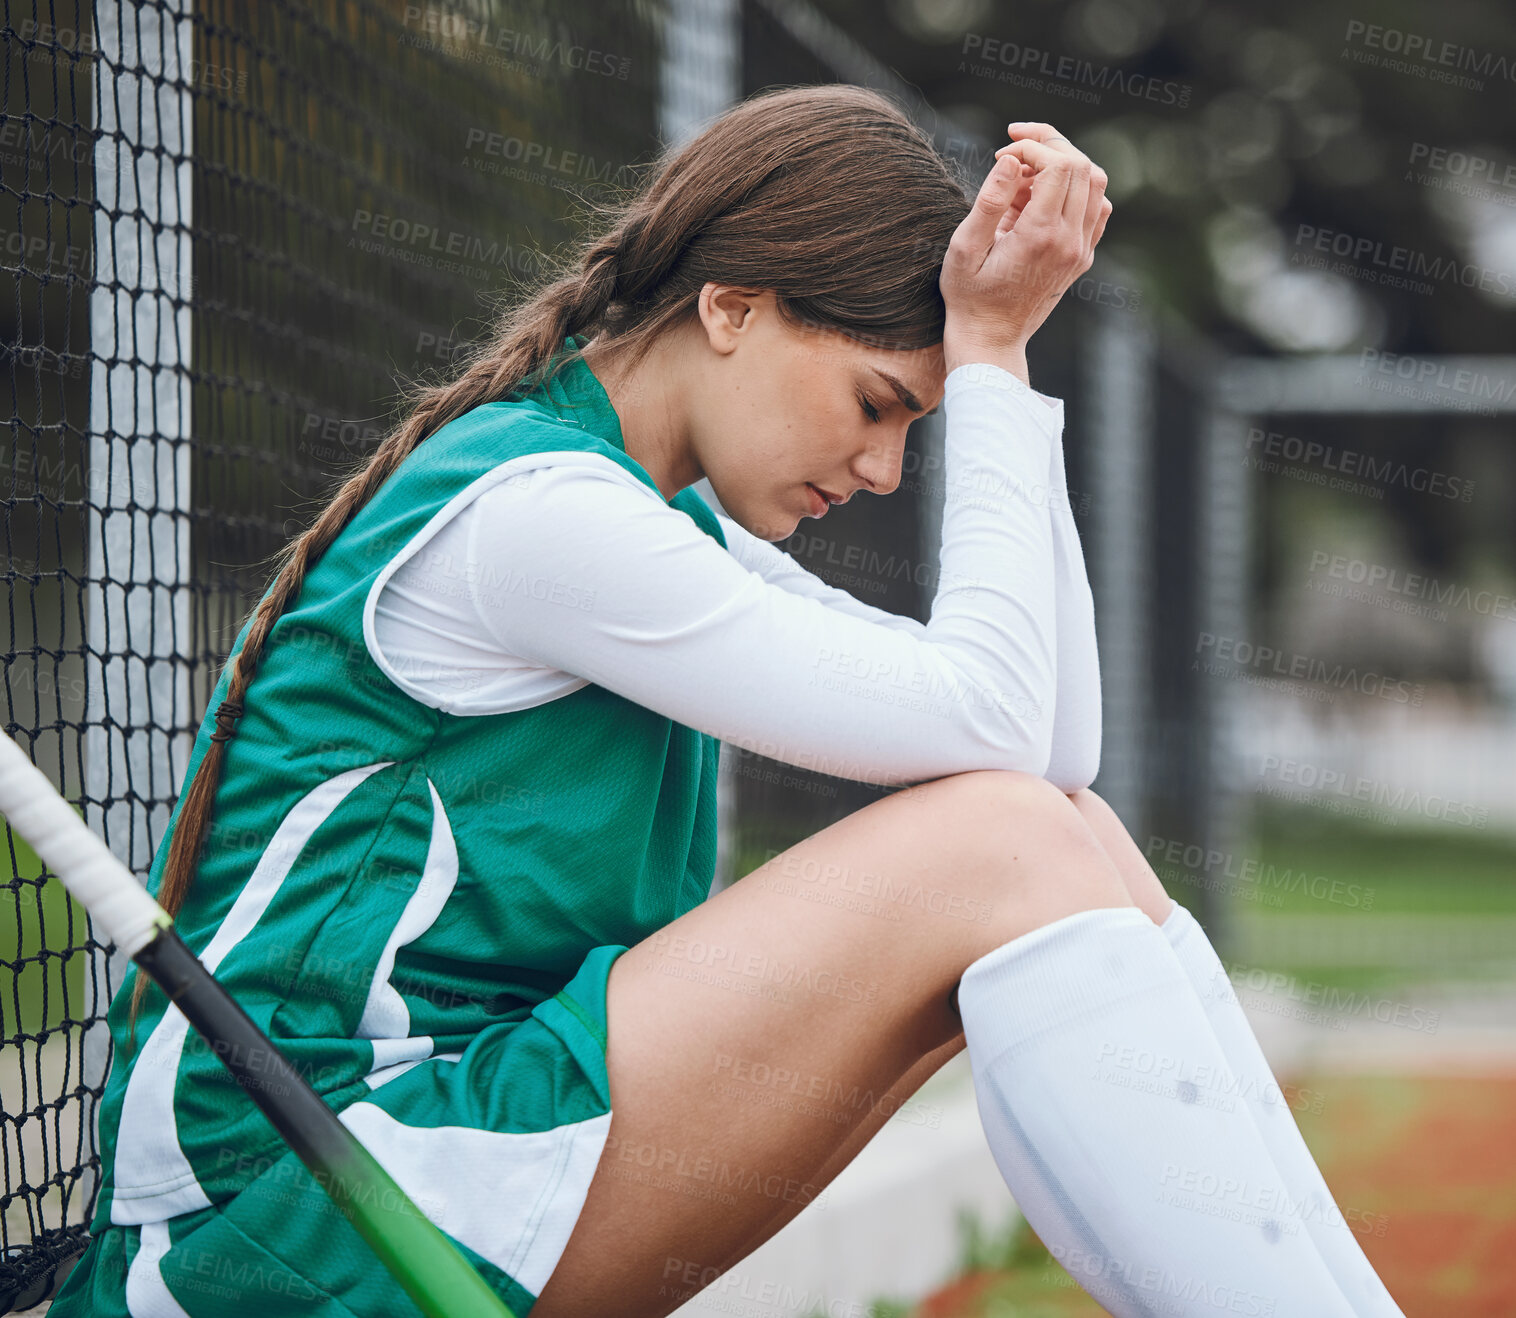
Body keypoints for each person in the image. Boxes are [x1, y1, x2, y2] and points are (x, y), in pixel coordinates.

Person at [50, 86, 1403, 1318]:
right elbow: (1001, 748)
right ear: (733, 307)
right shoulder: (542, 519)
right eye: (880, 403)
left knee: (1068, 836)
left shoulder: (654, 525)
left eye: (915, 425)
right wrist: (985, 349)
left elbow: (1051, 749)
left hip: (432, 1150)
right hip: (284, 1210)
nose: (885, 469)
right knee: (1010, 843)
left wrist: (1009, 364)